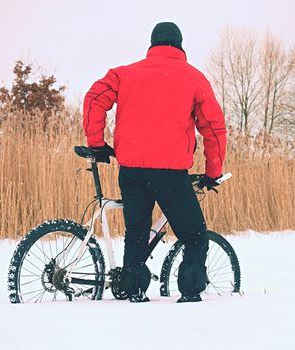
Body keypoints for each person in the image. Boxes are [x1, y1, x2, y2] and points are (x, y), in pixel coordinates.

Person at [82, 22, 226, 303]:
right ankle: (191, 294)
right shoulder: (194, 78)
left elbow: (94, 98)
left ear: (152, 44)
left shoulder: (125, 74)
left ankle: (133, 290)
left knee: (136, 233)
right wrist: (212, 173)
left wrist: (96, 143)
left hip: (132, 170)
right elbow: (214, 128)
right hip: (170, 173)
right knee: (194, 235)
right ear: (180, 45)